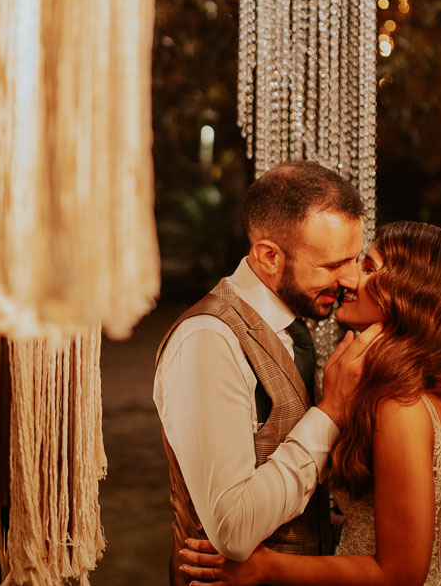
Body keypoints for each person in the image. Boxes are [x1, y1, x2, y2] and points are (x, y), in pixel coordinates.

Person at [179, 221, 441, 586]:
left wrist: (266, 567)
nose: (348, 280)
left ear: (411, 293)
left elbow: (401, 575)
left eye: (368, 267)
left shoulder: (400, 406)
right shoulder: (440, 389)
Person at [153, 160, 382, 586]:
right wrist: (330, 412)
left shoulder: (298, 330)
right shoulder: (208, 340)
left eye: (354, 259)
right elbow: (233, 530)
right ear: (269, 256)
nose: (351, 279)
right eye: (332, 265)